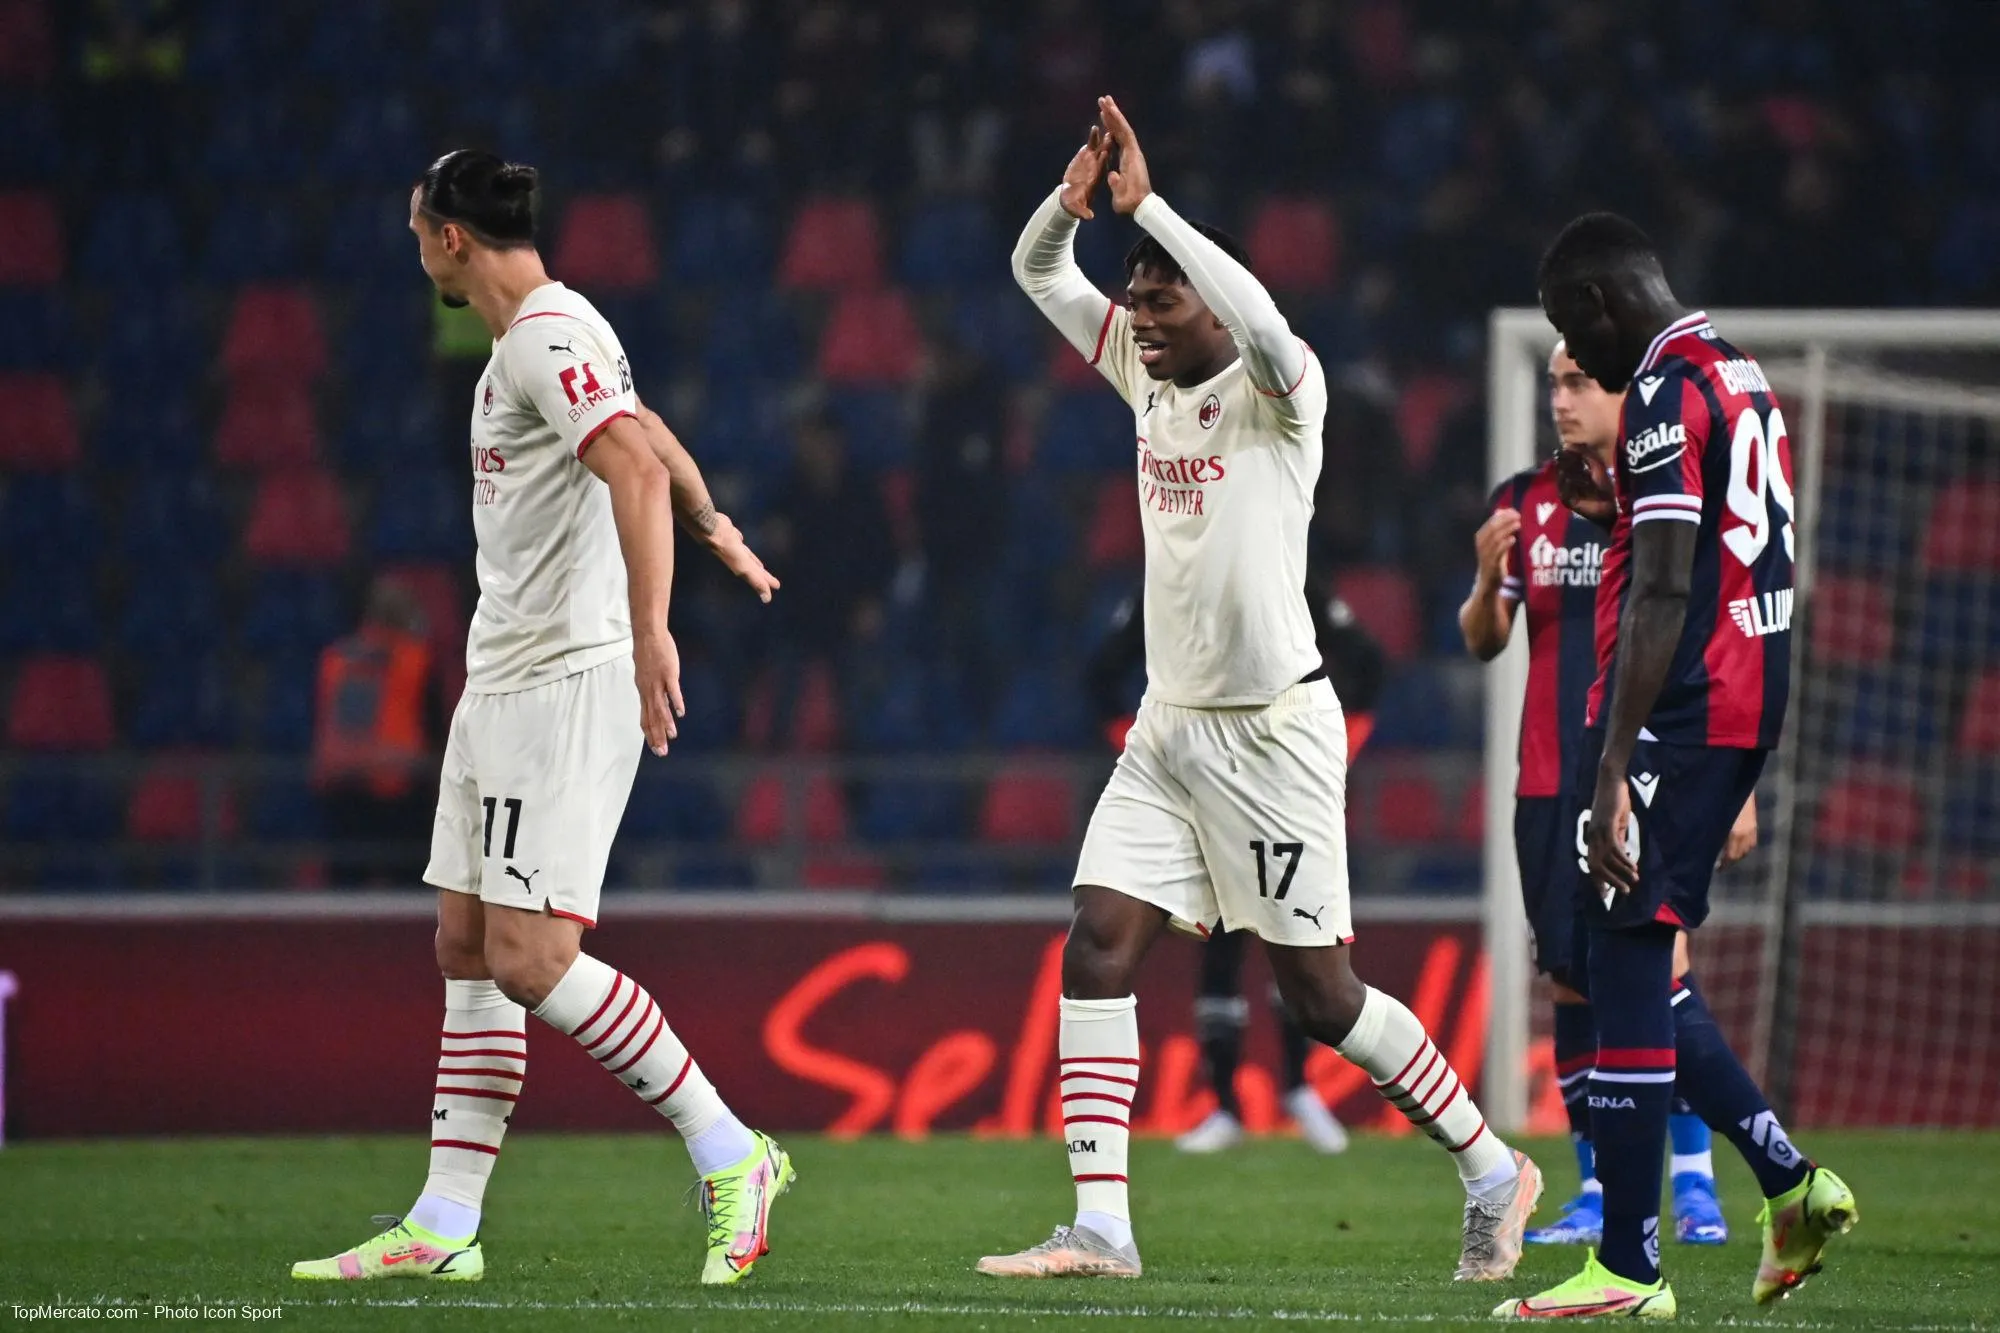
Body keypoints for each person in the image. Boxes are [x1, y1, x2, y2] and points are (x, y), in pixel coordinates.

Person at [980, 97, 1541, 1284]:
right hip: (1168, 727)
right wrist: (1070, 204)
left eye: (1162, 298)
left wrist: (1152, 210)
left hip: (1273, 733)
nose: (1140, 316)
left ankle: (1492, 1167)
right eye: (1134, 298)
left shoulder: (1283, 395)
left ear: (1209, 305)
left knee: (1323, 999)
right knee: (1096, 942)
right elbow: (1034, 270)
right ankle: (1102, 1227)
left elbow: (1266, 320)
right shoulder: (1139, 374)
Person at [292, 150, 788, 1287]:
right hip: (501, 680)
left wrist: (654, 629)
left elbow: (631, 468)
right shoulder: (554, 332)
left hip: (564, 681)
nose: (415, 249)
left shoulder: (541, 337)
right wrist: (716, 523)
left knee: (530, 957)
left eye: (416, 230)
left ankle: (731, 1150)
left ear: (450, 239)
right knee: (466, 947)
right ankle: (444, 1221)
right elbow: (648, 432)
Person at [1496, 213, 1856, 1318]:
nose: (1576, 356)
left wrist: (1610, 763)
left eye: (1573, 332)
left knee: (1617, 953)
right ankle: (1790, 1184)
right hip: (1744, 690)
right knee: (1638, 960)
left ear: (1600, 305)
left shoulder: (1660, 388)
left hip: (1685, 704)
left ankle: (1628, 1265)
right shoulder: (1738, 372)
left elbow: (1662, 587)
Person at [1461, 343, 1748, 1248]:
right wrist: (1486, 580)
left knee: (1660, 969)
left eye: (1579, 381)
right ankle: (1595, 1187)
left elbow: (1721, 633)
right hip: (1549, 777)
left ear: (1625, 391)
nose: (1561, 398)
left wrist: (1737, 786)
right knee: (1569, 981)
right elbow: (1484, 639)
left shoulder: (1666, 489)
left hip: (1651, 768)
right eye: (1554, 382)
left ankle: (1696, 1183)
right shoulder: (1523, 501)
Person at [1087, 576, 1385, 1156]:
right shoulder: (1169, 582)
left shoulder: (1287, 577)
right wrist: (1147, 755)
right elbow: (1101, 674)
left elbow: (1368, 663)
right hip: (1206, 791)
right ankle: (1226, 1105)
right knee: (1220, 946)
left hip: (1283, 791)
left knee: (1296, 946)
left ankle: (1298, 1088)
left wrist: (1339, 750)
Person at [311, 576, 438, 886]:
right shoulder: (418, 660)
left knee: (345, 894)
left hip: (343, 791)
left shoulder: (334, 658)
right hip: (401, 792)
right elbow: (435, 729)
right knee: (409, 895)